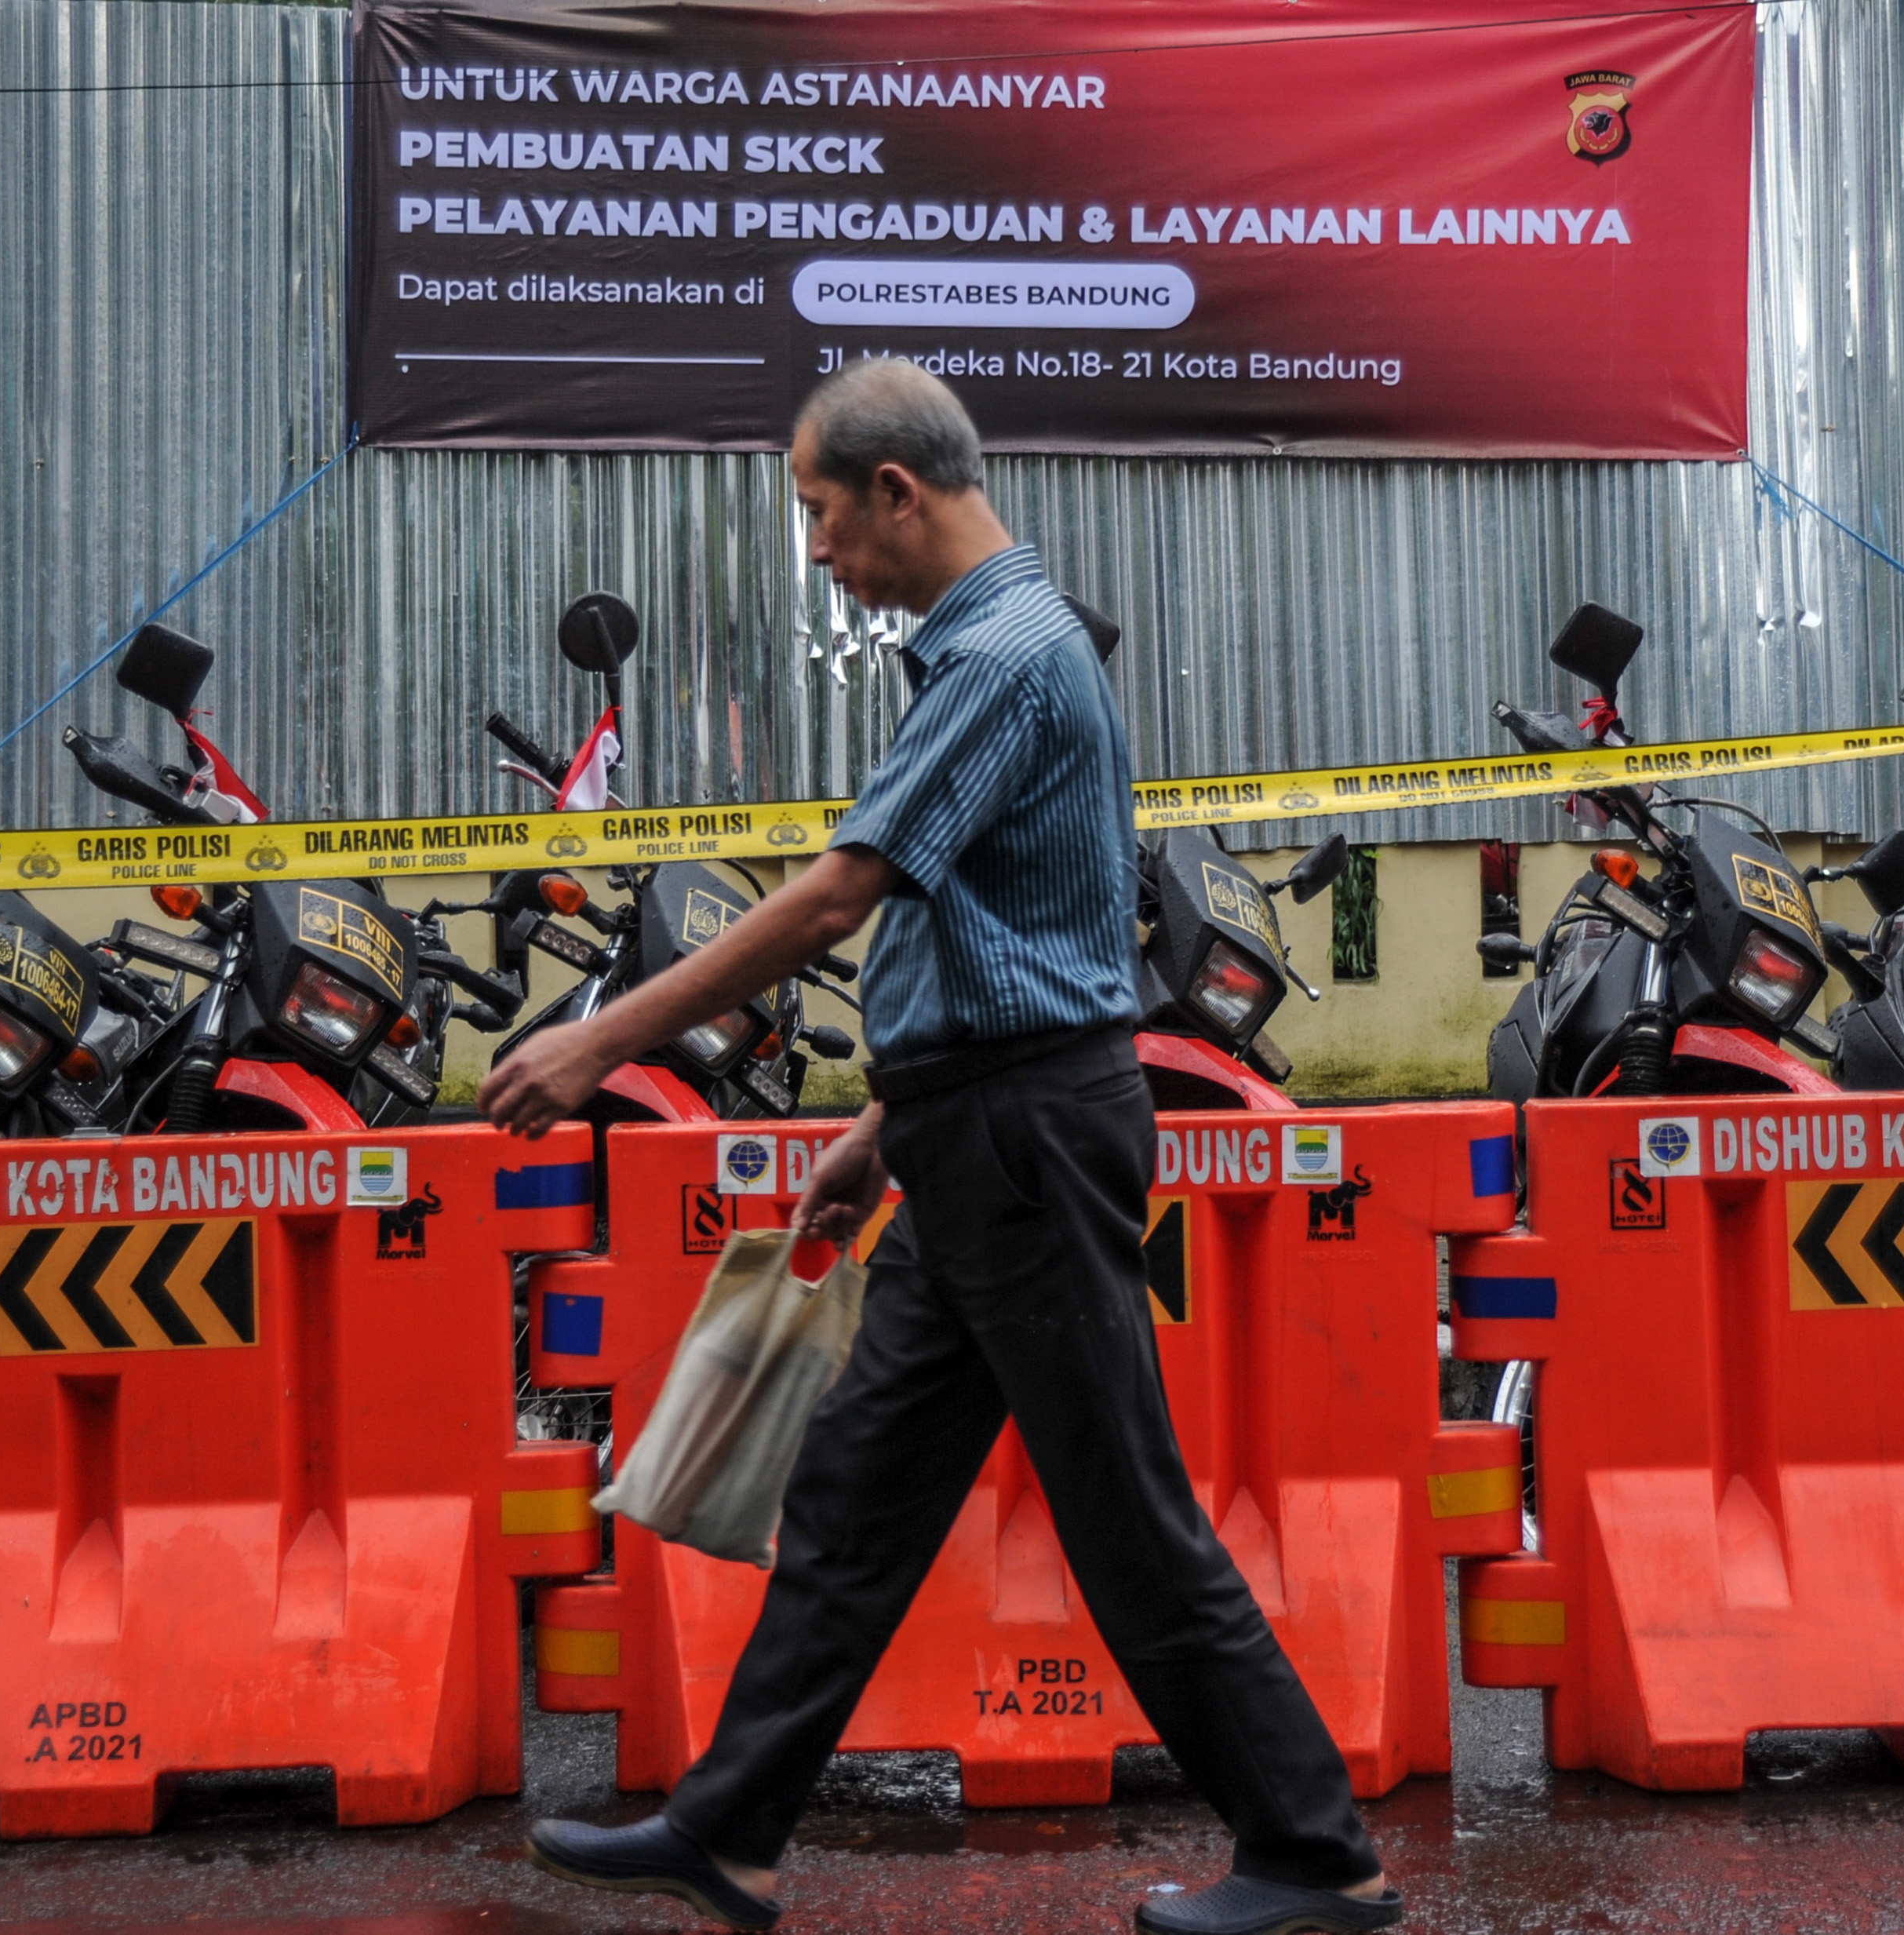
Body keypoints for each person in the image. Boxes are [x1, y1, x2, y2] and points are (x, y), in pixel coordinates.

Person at [482, 358, 1402, 1935]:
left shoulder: (1005, 660)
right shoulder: (1012, 646)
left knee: (1121, 1509)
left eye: (820, 511)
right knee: (856, 1489)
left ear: (895, 490)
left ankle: (1314, 1858)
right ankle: (729, 1828)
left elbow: (845, 893)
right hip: (976, 1131)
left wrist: (597, 1041)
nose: (817, 547)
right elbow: (1014, 930)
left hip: (1025, 1140)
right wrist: (882, 1127)